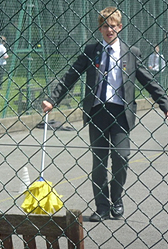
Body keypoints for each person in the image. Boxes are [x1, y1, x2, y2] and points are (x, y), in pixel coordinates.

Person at [42, 7, 168, 222]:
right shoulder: (91, 51)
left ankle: (116, 199)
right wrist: (52, 99)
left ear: (119, 27)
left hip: (121, 113)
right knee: (99, 162)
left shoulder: (131, 52)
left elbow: (148, 80)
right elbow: (71, 75)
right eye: (104, 26)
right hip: (97, 112)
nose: (109, 29)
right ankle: (101, 206)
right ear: (99, 28)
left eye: (113, 26)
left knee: (121, 156)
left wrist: (164, 104)